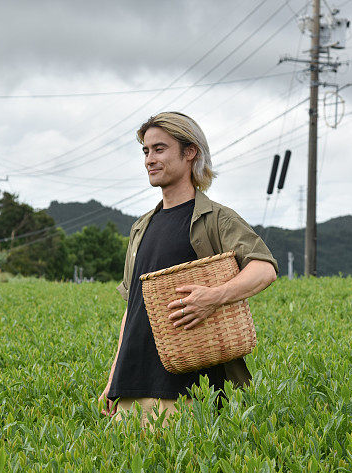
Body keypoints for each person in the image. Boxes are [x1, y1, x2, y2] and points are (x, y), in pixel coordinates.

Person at [98, 111, 278, 427]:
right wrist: (114, 379)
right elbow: (133, 309)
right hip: (132, 383)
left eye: (159, 149)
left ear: (190, 152)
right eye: (146, 151)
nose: (149, 159)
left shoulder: (216, 219)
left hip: (188, 387)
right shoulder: (141, 227)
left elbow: (264, 268)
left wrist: (215, 296)